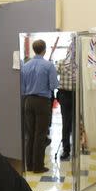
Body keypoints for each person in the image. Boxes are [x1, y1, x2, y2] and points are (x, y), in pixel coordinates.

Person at [21, 39, 59, 173]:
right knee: (40, 134)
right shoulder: (48, 66)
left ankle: (29, 165)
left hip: (28, 101)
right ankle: (38, 166)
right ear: (44, 50)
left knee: (29, 134)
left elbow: (22, 87)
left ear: (33, 49)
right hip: (42, 102)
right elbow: (54, 86)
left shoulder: (25, 65)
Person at [56, 55, 76, 160]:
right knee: (74, 122)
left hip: (65, 95)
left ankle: (66, 150)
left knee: (66, 123)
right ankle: (70, 149)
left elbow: (54, 74)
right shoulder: (80, 63)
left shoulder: (61, 62)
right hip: (74, 95)